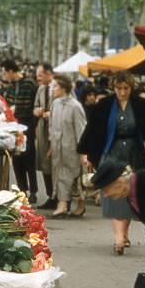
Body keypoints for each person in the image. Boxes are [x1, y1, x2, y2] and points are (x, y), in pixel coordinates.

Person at [77, 71, 145, 254]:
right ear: (113, 87)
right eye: (119, 88)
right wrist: (86, 153)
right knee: (113, 194)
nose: (122, 92)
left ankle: (124, 233)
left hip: (134, 153)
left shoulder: (140, 105)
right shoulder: (104, 105)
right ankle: (118, 238)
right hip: (111, 153)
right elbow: (92, 129)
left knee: (131, 194)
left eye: (126, 88)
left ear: (131, 88)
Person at [49, 75, 87, 218]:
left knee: (73, 177)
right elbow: (51, 127)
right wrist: (51, 144)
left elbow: (81, 129)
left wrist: (84, 152)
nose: (53, 89)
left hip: (72, 148)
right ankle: (64, 204)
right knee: (60, 175)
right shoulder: (55, 104)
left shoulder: (75, 106)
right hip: (58, 147)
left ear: (64, 88)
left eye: (56, 86)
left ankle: (68, 204)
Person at [2, 59, 39, 203]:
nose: (5, 76)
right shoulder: (10, 87)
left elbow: (34, 105)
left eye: (5, 72)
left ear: (11, 71)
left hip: (27, 125)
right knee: (17, 158)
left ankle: (34, 191)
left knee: (29, 158)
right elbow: (7, 104)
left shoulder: (29, 84)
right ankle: (22, 190)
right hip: (13, 126)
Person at [34, 62, 57, 208]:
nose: (38, 79)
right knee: (45, 164)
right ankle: (50, 196)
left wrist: (52, 114)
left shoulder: (60, 86)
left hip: (56, 130)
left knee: (57, 165)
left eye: (40, 75)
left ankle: (60, 197)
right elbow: (35, 106)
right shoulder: (41, 89)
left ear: (49, 73)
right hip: (43, 130)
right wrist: (37, 110)